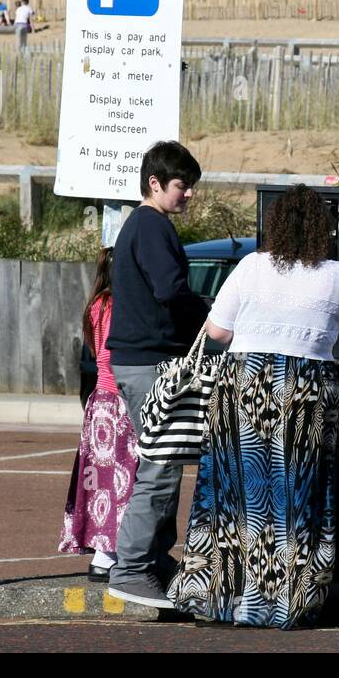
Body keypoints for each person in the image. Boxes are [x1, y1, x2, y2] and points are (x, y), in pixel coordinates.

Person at [169, 185, 339, 628]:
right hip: (307, 388)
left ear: (274, 225)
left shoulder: (251, 266)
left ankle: (221, 597)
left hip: (246, 383)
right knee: (298, 495)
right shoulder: (338, 273)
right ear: (323, 227)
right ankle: (285, 602)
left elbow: (216, 331)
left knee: (234, 491)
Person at [105, 141, 209, 608]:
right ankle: (131, 569)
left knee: (164, 463)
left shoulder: (143, 225)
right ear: (155, 183)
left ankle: (154, 560)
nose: (188, 195)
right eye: (182, 186)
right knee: (161, 467)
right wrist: (209, 316)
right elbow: (171, 290)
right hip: (149, 363)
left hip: (142, 360)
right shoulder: (150, 226)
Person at [59, 248, 139, 582]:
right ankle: (110, 552)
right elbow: (111, 357)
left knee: (101, 480)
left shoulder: (97, 304)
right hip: (116, 403)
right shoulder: (116, 305)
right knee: (122, 478)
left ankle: (104, 551)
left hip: (100, 403)